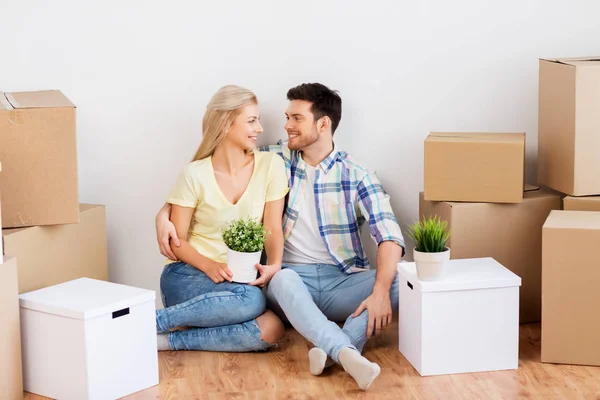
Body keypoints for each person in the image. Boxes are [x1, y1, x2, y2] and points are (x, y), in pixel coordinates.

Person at [156, 83, 405, 391]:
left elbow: (390, 235)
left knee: (402, 281)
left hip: (341, 279)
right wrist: (163, 212)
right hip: (289, 278)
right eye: (286, 117)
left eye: (296, 118)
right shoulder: (279, 158)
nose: (285, 125)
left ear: (323, 124)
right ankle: (343, 350)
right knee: (280, 280)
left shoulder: (356, 174)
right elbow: (213, 167)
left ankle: (335, 350)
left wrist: (380, 291)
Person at [155, 85, 288, 353]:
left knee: (271, 328)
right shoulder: (194, 174)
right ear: (226, 124)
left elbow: (271, 228)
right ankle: (151, 321)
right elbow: (176, 241)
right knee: (251, 301)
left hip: (237, 282)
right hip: (188, 275)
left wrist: (275, 265)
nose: (260, 128)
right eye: (251, 120)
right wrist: (209, 266)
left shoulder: (270, 166)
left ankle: (166, 340)